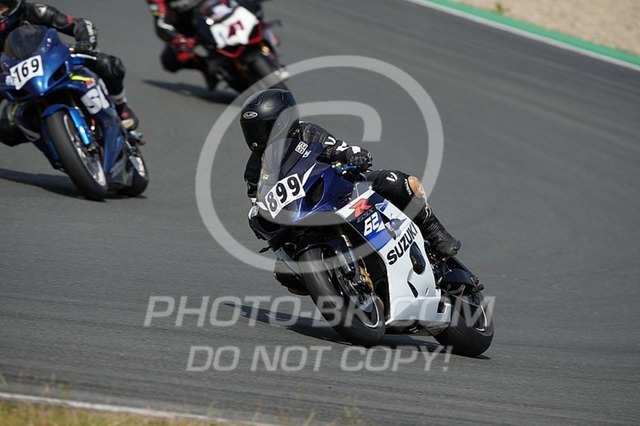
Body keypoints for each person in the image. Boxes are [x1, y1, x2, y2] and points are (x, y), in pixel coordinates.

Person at [241, 89, 461, 288]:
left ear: (284, 121)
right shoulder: (254, 168)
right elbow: (258, 200)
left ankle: (434, 232)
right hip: (298, 217)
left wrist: (353, 155)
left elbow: (338, 148)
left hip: (338, 191)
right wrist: (258, 218)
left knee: (394, 181)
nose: (257, 137)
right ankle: (337, 283)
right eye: (252, 131)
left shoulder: (308, 132)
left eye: (264, 128)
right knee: (285, 273)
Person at [0, 0, 139, 146]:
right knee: (6, 129)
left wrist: (86, 43)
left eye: (1, 6)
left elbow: (80, 24)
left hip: (57, 64)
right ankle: (53, 140)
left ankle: (121, 108)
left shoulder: (35, 11)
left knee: (108, 65)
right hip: (21, 85)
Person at [145, 0, 263, 91]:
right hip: (190, 29)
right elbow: (161, 23)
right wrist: (180, 40)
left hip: (219, 8)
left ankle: (264, 36)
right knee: (170, 60)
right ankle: (205, 67)